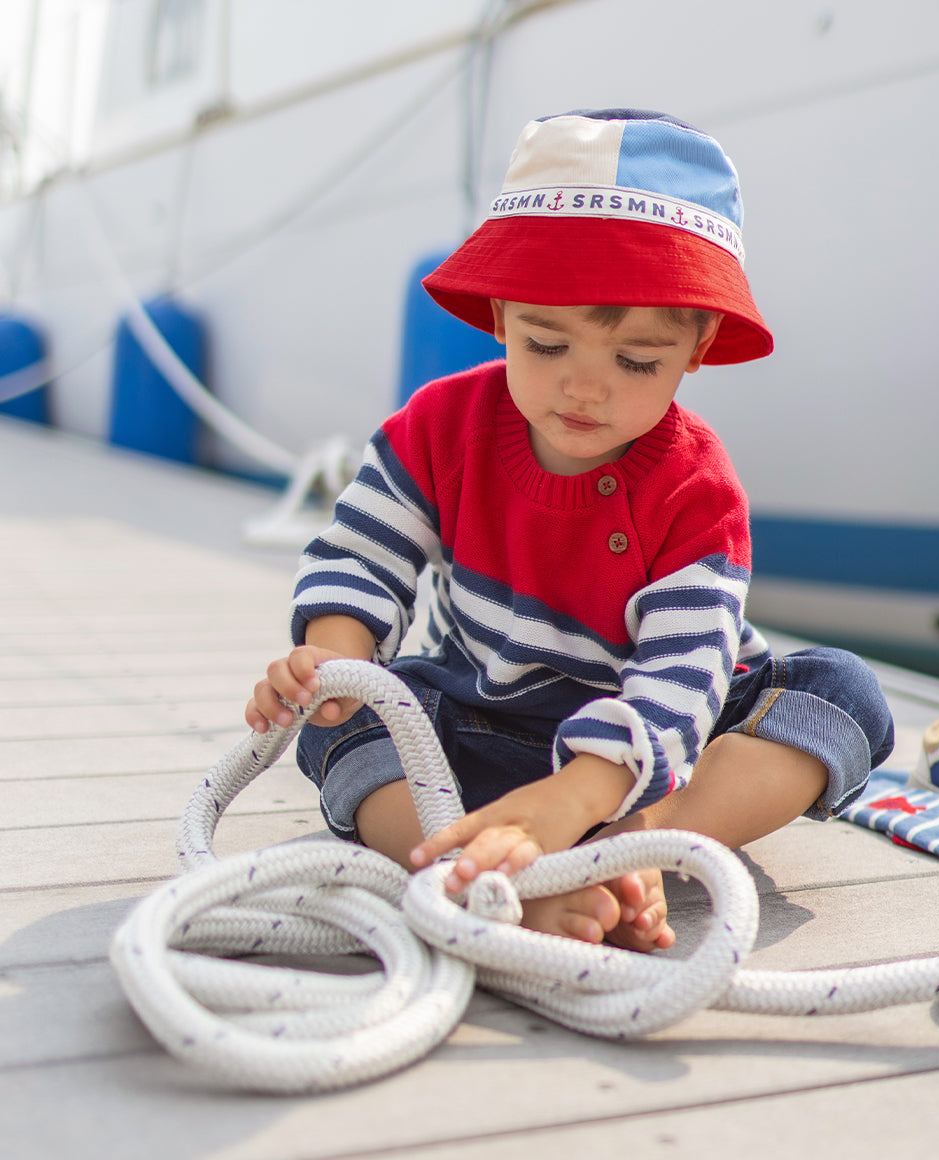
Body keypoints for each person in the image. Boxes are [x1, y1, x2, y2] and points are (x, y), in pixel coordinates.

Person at [246, 109, 894, 951]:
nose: (583, 390)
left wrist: (587, 794)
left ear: (697, 344)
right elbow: (364, 554)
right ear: (500, 312)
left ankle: (636, 847)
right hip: (483, 712)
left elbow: (683, 674)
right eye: (547, 345)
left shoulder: (696, 488)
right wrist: (336, 662)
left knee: (841, 694)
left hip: (666, 743)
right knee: (350, 721)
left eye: (636, 362)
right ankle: (468, 871)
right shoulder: (440, 427)